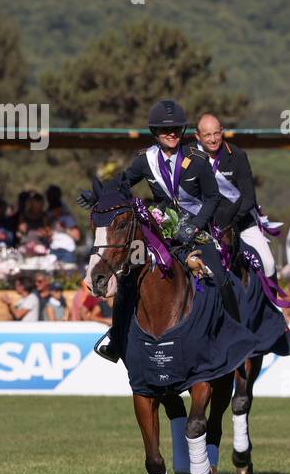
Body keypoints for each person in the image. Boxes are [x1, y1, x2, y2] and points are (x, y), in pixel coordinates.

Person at [92, 99, 227, 362]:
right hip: (160, 231)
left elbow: (212, 198)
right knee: (128, 277)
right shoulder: (145, 160)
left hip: (198, 229)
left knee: (218, 273)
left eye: (177, 129)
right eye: (166, 130)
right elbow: (123, 183)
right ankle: (117, 337)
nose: (172, 133)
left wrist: (194, 226)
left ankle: (229, 330)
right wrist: (100, 195)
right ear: (155, 132)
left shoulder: (197, 160)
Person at [195, 112, 278, 277]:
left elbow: (249, 198)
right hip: (203, 226)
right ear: (198, 136)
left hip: (240, 222)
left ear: (222, 131)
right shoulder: (189, 156)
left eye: (216, 133)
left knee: (269, 264)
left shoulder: (238, 155)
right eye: (207, 135)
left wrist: (227, 221)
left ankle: (272, 303)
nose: (213, 139)